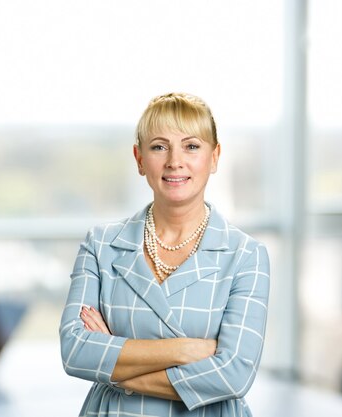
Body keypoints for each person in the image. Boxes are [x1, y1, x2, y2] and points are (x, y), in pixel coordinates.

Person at [59, 92, 270, 416]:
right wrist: (185, 350)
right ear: (139, 159)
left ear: (214, 157)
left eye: (191, 146)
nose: (175, 161)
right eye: (159, 146)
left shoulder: (245, 255)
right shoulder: (100, 245)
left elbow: (234, 375)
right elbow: (75, 351)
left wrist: (118, 370)